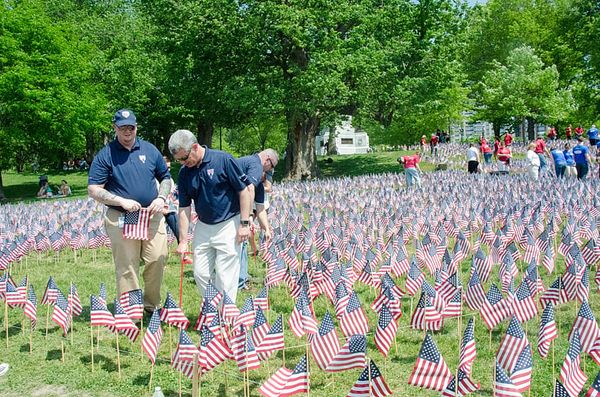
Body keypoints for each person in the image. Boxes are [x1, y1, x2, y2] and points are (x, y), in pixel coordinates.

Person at [88, 109, 171, 314]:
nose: (127, 131)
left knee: (157, 257)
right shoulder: (106, 154)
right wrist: (120, 201)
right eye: (123, 127)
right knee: (127, 265)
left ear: (136, 127)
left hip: (151, 214)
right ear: (115, 128)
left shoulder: (150, 150)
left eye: (131, 127)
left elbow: (166, 178)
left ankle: (151, 305)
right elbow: (94, 189)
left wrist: (161, 198)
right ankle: (131, 312)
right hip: (122, 216)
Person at [169, 129, 251, 304]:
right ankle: (213, 307)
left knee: (225, 274)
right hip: (203, 225)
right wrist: (183, 240)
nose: (183, 163)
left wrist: (244, 223)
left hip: (229, 222)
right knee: (200, 273)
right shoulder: (184, 172)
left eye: (184, 158)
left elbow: (244, 191)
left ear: (195, 147)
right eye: (179, 160)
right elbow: (184, 208)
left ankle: (225, 316)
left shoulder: (223, 160)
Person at [236, 149, 278, 290]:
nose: (269, 172)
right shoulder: (254, 164)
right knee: (238, 245)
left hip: (239, 213)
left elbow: (260, 209)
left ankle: (241, 279)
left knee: (241, 245)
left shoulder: (259, 184)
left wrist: (266, 228)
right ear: (267, 160)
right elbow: (249, 191)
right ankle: (238, 280)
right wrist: (246, 220)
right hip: (229, 210)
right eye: (270, 167)